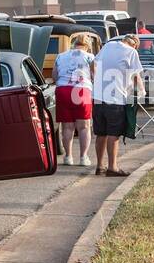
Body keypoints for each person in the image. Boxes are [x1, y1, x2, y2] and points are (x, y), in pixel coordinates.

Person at [91, 34, 144, 177]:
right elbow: (136, 75)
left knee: (101, 134)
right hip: (115, 99)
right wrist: (142, 91)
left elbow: (94, 62)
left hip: (97, 98)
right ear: (134, 45)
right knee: (113, 135)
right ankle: (112, 167)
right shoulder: (131, 52)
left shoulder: (108, 45)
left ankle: (99, 166)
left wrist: (96, 80)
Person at [53, 33, 97, 168]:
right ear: (87, 46)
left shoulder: (60, 56)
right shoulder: (90, 57)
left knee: (67, 127)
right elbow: (95, 75)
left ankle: (68, 156)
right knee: (84, 127)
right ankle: (83, 157)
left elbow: (55, 76)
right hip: (81, 90)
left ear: (74, 43)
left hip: (63, 90)